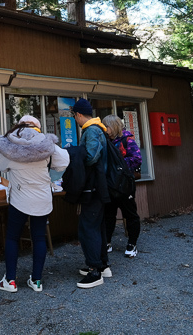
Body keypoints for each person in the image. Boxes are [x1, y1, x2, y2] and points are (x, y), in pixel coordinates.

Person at [0, 115, 69, 293]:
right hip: (42, 197)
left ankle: (10, 281)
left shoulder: (11, 143)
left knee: (12, 237)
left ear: (19, 126)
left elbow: (1, 165)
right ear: (37, 127)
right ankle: (36, 281)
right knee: (39, 237)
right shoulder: (46, 142)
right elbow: (63, 162)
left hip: (19, 197)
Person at [70, 98, 111, 289]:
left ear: (78, 115)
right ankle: (103, 265)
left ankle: (95, 271)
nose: (75, 120)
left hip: (93, 187)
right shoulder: (99, 128)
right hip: (100, 186)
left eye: (75, 116)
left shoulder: (92, 130)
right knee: (97, 226)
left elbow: (91, 156)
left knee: (88, 227)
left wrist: (75, 156)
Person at [101, 114, 141, 258]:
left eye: (107, 126)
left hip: (124, 185)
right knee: (108, 214)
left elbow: (137, 159)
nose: (105, 129)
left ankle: (132, 244)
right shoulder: (105, 141)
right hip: (110, 185)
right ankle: (107, 242)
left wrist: (119, 167)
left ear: (114, 126)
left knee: (130, 214)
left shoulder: (127, 139)